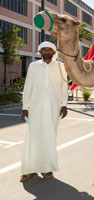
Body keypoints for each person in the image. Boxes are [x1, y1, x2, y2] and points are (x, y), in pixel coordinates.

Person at [20, 41, 68, 182]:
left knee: (49, 137)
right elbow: (28, 86)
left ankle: (46, 168)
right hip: (34, 107)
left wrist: (64, 105)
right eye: (44, 49)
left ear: (54, 52)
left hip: (53, 108)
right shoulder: (33, 66)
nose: (47, 51)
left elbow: (64, 86)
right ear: (39, 52)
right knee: (32, 136)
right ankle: (29, 169)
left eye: (49, 49)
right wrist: (25, 108)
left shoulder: (60, 67)